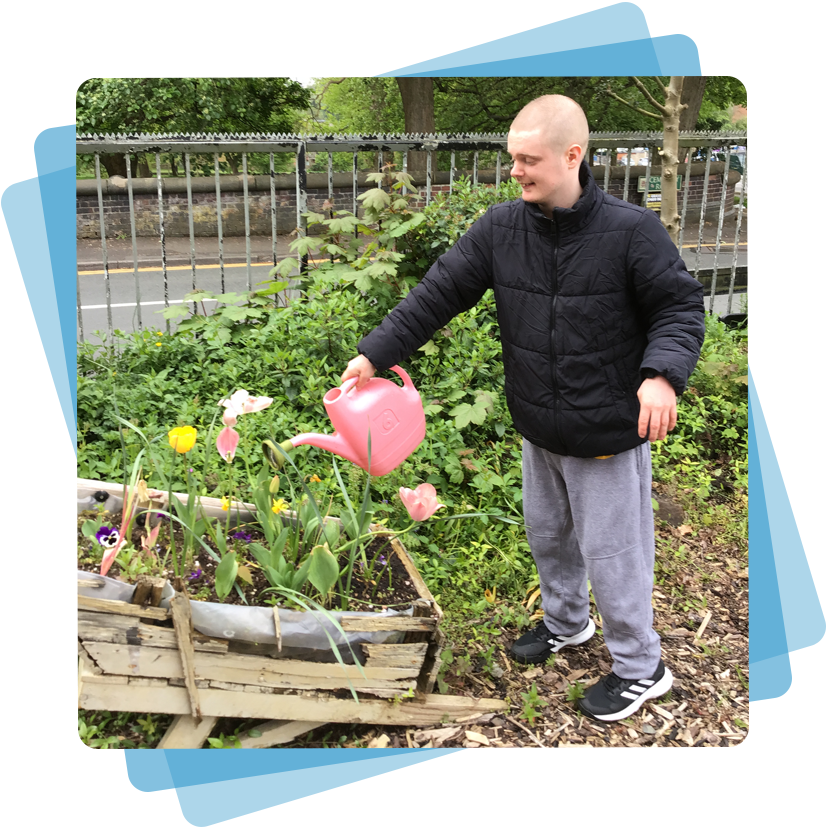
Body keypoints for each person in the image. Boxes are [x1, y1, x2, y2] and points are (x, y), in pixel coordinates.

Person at [341, 95, 705, 722]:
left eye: (528, 160)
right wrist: (373, 356)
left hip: (604, 430)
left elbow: (679, 308)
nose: (515, 171)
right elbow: (436, 295)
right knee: (549, 537)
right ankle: (568, 624)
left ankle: (643, 667)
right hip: (538, 422)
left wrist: (662, 377)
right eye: (512, 159)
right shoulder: (500, 228)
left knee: (613, 552)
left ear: (572, 156)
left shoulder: (630, 232)